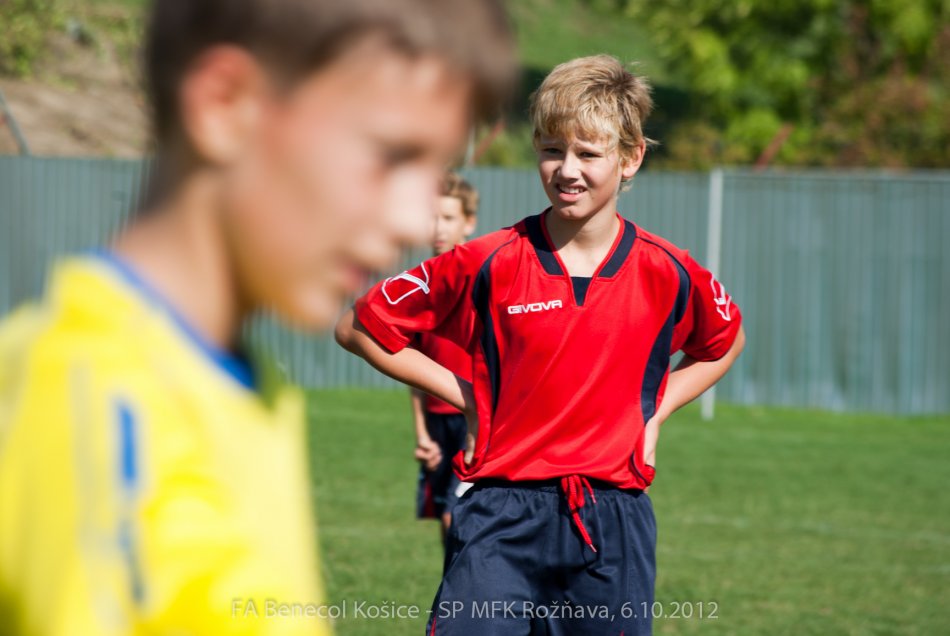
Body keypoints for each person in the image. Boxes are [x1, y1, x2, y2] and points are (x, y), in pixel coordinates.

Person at [0, 1, 514, 634]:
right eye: (389, 155)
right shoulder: (92, 401)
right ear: (226, 106)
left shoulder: (241, 383)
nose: (413, 219)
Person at [336, 54, 746, 635]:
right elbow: (360, 327)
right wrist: (469, 395)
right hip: (500, 514)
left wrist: (656, 411)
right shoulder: (489, 260)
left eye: (588, 154)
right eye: (552, 150)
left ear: (631, 158)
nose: (567, 170)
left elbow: (725, 341)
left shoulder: (668, 271)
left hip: (611, 522)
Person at [411, 173, 478, 546]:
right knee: (444, 517)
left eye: (448, 218)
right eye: (431, 217)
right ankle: (452, 584)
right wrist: (422, 434)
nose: (438, 228)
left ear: (469, 223)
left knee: (459, 514)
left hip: (474, 417)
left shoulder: (483, 278)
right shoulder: (416, 287)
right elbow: (412, 369)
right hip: (437, 424)